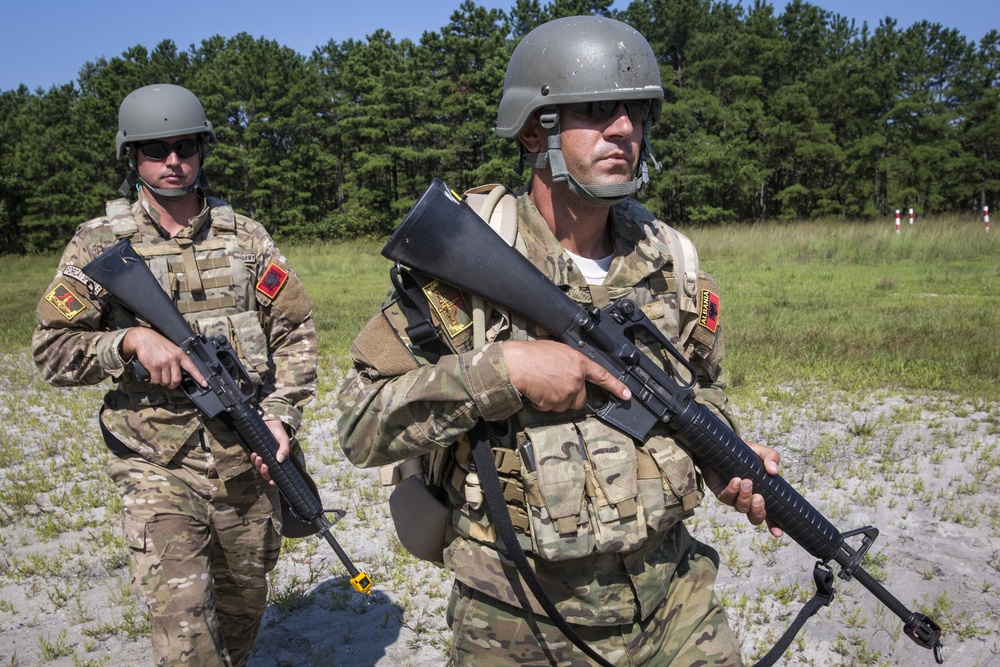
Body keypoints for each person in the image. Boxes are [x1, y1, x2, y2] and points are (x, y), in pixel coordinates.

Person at [336, 16, 782, 667]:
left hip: (673, 604)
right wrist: (503, 370)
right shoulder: (462, 267)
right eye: (598, 109)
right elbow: (356, 423)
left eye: (635, 110)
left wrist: (721, 448)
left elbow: (701, 389)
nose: (625, 129)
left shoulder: (673, 261)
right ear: (531, 128)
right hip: (519, 624)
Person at [33, 83, 318, 667]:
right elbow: (51, 350)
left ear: (201, 150)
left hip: (246, 457)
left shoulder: (248, 239)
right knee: (186, 634)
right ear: (131, 157)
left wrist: (281, 415)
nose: (172, 162)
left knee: (241, 613)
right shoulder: (98, 245)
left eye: (184, 147)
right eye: (154, 149)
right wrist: (129, 341)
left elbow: (295, 335)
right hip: (153, 462)